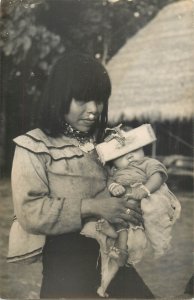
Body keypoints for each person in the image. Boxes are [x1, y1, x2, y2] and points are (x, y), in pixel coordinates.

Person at [7, 53, 154, 298]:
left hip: (114, 260)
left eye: (99, 100)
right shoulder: (33, 146)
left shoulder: (106, 143)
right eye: (83, 100)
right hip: (67, 269)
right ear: (60, 98)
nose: (94, 110)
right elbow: (30, 212)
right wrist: (95, 206)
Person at [82, 124, 181, 296]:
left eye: (135, 150)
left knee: (129, 230)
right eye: (122, 155)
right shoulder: (114, 171)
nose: (130, 156)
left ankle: (120, 249)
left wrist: (145, 190)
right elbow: (108, 180)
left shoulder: (148, 162)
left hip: (145, 199)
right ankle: (104, 284)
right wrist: (113, 186)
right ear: (113, 162)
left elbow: (158, 175)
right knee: (111, 238)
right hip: (120, 204)